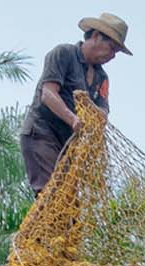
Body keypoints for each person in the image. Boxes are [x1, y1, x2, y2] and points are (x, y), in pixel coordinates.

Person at [21, 13, 129, 193]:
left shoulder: (102, 78)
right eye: (111, 48)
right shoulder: (63, 54)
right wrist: (73, 119)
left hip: (67, 144)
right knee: (51, 195)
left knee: (69, 205)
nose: (112, 56)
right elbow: (48, 94)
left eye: (116, 52)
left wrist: (93, 115)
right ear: (95, 37)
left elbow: (103, 112)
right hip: (41, 134)